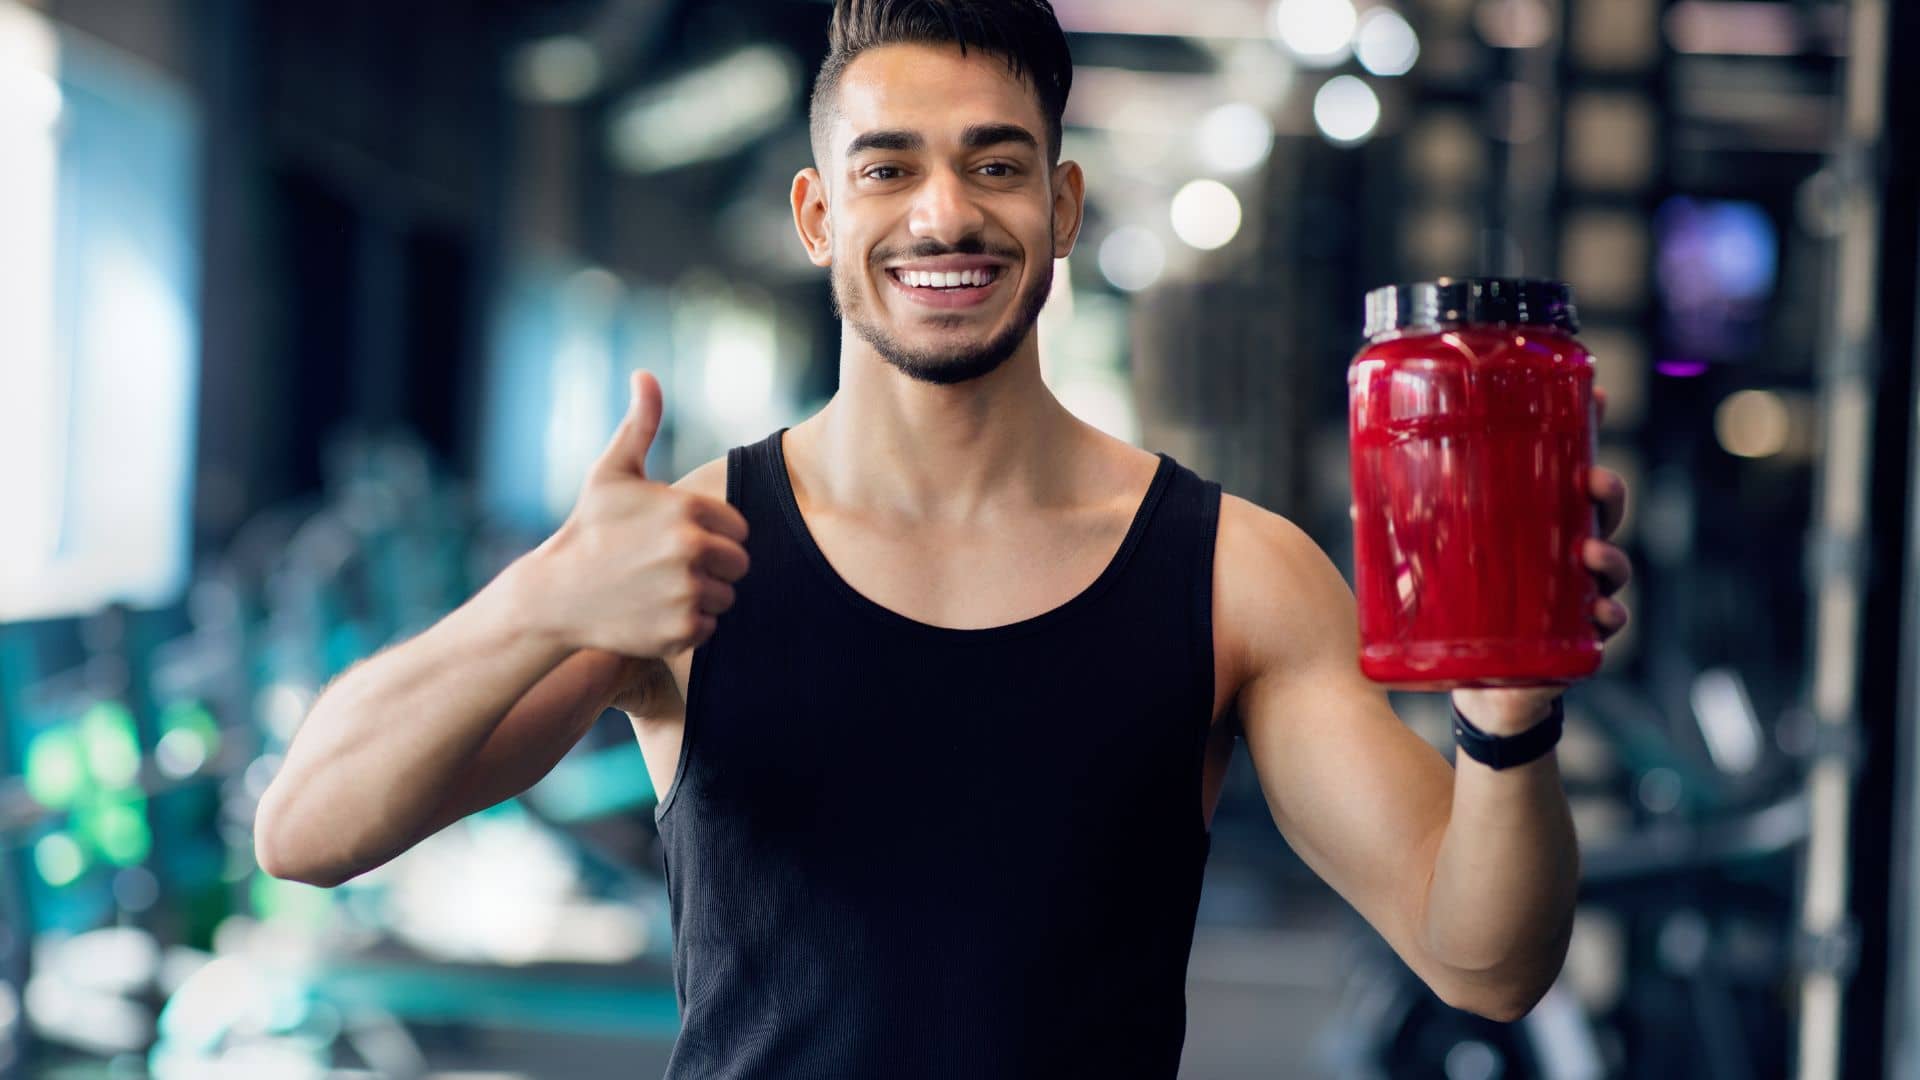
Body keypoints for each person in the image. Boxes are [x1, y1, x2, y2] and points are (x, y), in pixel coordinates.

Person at [254, 1, 1635, 1076]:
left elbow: (1484, 964)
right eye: (888, 167)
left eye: (996, 164)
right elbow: (305, 830)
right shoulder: (682, 559)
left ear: (1065, 208)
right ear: (818, 215)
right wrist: (548, 597)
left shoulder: (1232, 574)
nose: (944, 214)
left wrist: (1509, 715)